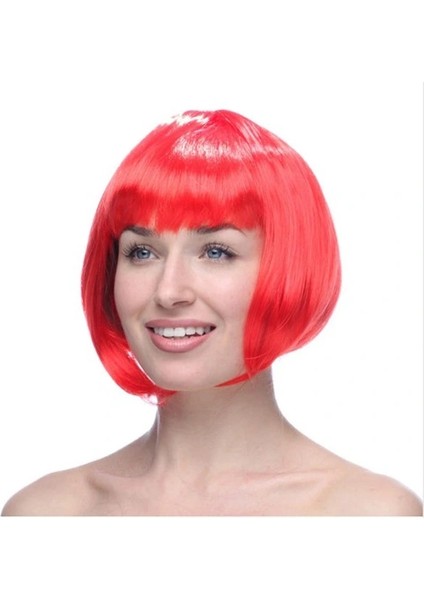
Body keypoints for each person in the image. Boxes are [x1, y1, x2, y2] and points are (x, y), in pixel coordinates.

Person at [2, 110, 422, 516]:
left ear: (289, 268)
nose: (168, 291)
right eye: (142, 252)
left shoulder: (368, 514)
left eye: (216, 251)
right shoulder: (46, 514)